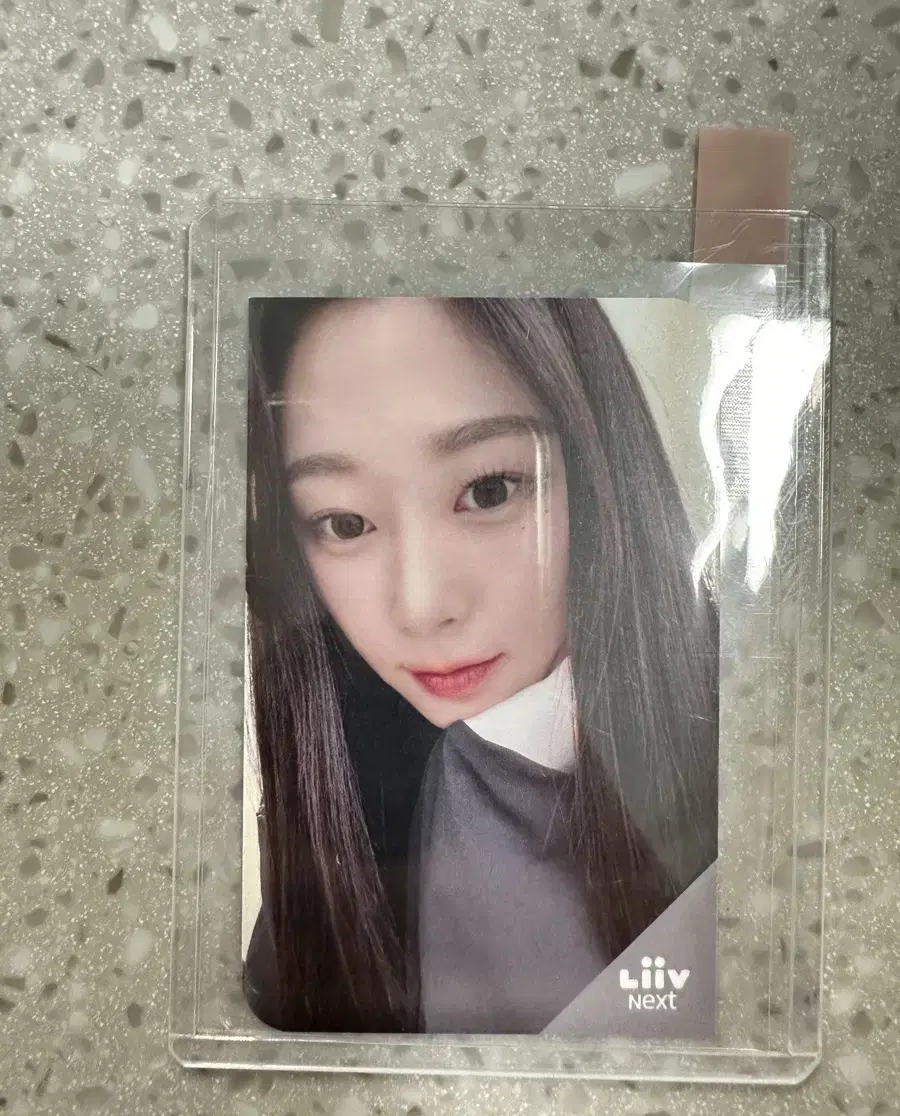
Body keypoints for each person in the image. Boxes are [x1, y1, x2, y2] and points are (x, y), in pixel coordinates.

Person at [243, 296, 719, 1034]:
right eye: (345, 523)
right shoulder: (322, 872)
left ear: (599, 468)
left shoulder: (765, 754)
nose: (423, 605)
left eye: (488, 491)